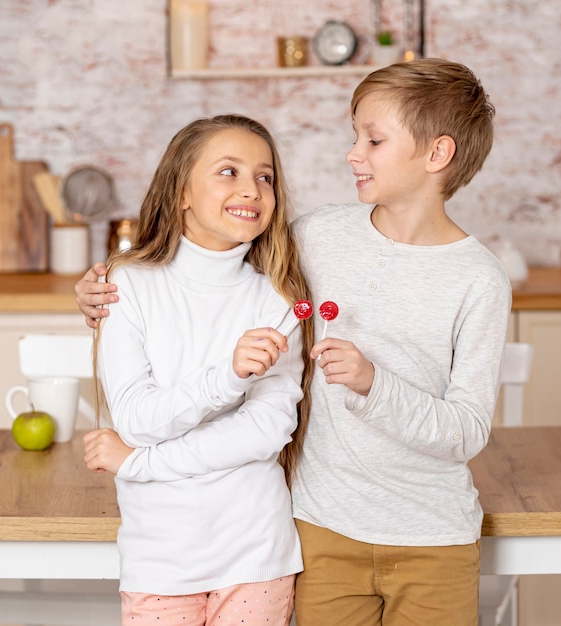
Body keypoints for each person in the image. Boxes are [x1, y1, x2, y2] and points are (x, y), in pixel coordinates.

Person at [76, 59, 512, 626]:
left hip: (433, 533)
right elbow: (208, 268)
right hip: (318, 527)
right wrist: (99, 293)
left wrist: (374, 384)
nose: (353, 154)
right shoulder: (313, 238)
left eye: (373, 140)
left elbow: (467, 430)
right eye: (355, 136)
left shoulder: (479, 278)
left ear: (437, 155)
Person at [81, 114, 315, 626]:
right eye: (228, 172)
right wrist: (226, 377)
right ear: (182, 191)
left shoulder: (276, 298)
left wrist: (141, 464)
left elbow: (267, 429)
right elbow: (137, 420)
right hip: (160, 557)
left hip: (257, 553)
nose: (252, 189)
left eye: (265, 176)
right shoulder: (128, 287)